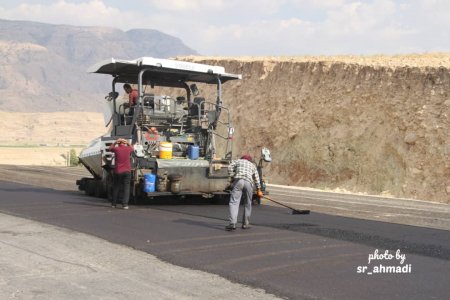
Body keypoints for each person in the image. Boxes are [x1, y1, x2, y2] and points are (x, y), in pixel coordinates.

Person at [225, 154, 263, 231]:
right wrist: (259, 189)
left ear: (242, 158)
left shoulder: (238, 161)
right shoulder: (252, 165)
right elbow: (257, 178)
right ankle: (245, 224)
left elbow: (229, 167)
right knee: (248, 204)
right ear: (249, 160)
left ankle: (232, 223)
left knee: (234, 202)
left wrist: (232, 177)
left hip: (238, 181)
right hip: (249, 183)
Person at [108, 138, 134, 209]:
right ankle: (125, 205)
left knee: (116, 187)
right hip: (127, 171)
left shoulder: (116, 149)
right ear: (124, 143)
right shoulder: (128, 149)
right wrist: (128, 143)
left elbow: (110, 148)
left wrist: (115, 142)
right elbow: (133, 148)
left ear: (119, 143)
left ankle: (114, 204)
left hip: (118, 171)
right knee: (126, 188)